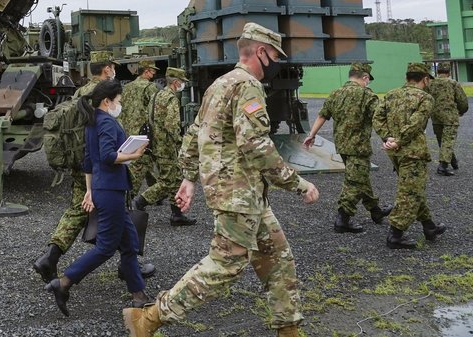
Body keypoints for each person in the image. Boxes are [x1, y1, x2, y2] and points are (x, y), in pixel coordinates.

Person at [125, 23, 319, 337]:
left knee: (278, 258)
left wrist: (188, 178)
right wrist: (299, 184)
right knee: (225, 265)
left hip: (246, 195)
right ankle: (148, 320)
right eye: (275, 54)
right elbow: (255, 145)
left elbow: (194, 132)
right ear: (260, 52)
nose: (277, 62)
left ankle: (289, 329)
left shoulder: (219, 85)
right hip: (238, 194)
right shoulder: (248, 85)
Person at [34, 51, 158, 280]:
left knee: (79, 210)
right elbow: (109, 135)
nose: (113, 70)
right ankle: (128, 265)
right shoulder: (105, 95)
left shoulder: (81, 91)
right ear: (107, 68)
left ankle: (50, 257)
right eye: (112, 66)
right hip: (101, 166)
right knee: (119, 209)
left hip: (83, 162)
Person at [45, 79, 149, 316]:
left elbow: (89, 162)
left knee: (130, 245)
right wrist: (135, 153)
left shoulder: (92, 123)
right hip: (112, 191)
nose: (119, 105)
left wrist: (90, 191)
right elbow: (108, 156)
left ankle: (139, 296)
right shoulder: (107, 124)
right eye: (118, 101)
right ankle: (63, 283)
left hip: (103, 190)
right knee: (105, 247)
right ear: (107, 101)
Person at [302, 62, 391, 233]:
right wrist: (388, 138)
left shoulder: (336, 93)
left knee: (359, 178)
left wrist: (311, 135)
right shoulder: (367, 95)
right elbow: (378, 119)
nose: (368, 83)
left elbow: (322, 115)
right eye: (368, 80)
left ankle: (376, 211)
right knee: (354, 182)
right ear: (365, 78)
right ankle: (343, 219)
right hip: (358, 147)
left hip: (342, 146)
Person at [374, 62, 445, 249]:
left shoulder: (390, 94)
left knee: (412, 187)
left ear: (407, 78)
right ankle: (396, 234)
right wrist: (399, 139)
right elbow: (416, 122)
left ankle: (430, 227)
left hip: (395, 152)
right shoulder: (425, 98)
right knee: (410, 192)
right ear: (426, 79)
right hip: (413, 151)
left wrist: (388, 138)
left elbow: (377, 118)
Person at [131, 67, 197, 226]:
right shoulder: (171, 99)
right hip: (167, 146)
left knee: (174, 178)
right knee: (168, 181)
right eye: (182, 82)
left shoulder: (156, 95)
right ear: (176, 82)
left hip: (156, 144)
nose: (183, 85)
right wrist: (180, 142)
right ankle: (139, 202)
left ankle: (177, 215)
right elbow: (171, 125)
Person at [119, 60, 160, 195]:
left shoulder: (127, 87)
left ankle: (157, 191)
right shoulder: (150, 87)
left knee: (143, 160)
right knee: (142, 162)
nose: (153, 75)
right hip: (144, 130)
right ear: (146, 71)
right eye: (152, 72)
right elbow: (154, 110)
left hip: (128, 129)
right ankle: (131, 194)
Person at [426, 64, 468, 175]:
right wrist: (462, 111)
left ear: (438, 72)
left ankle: (453, 161)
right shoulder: (453, 83)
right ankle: (443, 166)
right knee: (448, 140)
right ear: (448, 73)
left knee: (443, 140)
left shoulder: (430, 83)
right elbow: (462, 101)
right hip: (450, 117)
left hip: (435, 117)